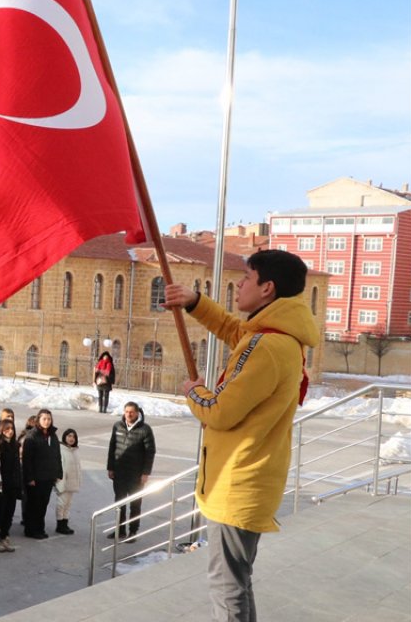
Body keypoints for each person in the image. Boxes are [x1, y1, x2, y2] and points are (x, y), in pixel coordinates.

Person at [165, 249, 319, 621]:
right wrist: (195, 303)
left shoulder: (267, 346)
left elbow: (219, 411)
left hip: (238, 484)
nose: (239, 284)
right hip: (249, 481)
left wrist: (193, 391)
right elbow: (238, 333)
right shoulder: (278, 336)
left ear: (267, 288)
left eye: (247, 278)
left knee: (226, 587)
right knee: (237, 581)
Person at [106, 402, 156, 540]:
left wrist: (146, 473)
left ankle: (132, 532)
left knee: (135, 504)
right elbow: (112, 447)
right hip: (119, 473)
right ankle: (120, 530)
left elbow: (150, 452)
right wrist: (110, 467)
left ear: (137, 413)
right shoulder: (117, 426)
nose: (129, 414)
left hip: (136, 475)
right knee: (119, 503)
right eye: (126, 411)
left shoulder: (145, 430)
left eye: (132, 412)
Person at [21, 409, 62, 539]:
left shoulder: (52, 435)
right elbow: (27, 459)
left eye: (49, 419)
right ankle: (31, 529)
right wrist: (30, 477)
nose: (47, 421)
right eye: (44, 419)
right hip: (36, 477)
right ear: (38, 419)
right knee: (34, 504)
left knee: (43, 504)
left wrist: (58, 473)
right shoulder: (32, 436)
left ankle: (39, 528)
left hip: (48, 477)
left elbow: (57, 455)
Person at [0, 418, 20, 552]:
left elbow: (17, 466)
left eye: (12, 429)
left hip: (12, 484)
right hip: (2, 484)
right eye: (7, 429)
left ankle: (4, 537)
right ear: (1, 430)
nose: (10, 432)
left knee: (9, 512)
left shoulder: (14, 445)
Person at [53, 428, 82, 536]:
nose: (71, 438)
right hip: (63, 481)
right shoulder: (61, 449)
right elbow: (59, 466)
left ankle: (65, 523)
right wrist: (58, 480)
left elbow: (78, 467)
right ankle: (59, 524)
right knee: (61, 504)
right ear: (64, 437)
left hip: (72, 482)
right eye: (69, 436)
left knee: (68, 504)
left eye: (73, 436)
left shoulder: (75, 450)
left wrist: (79, 480)